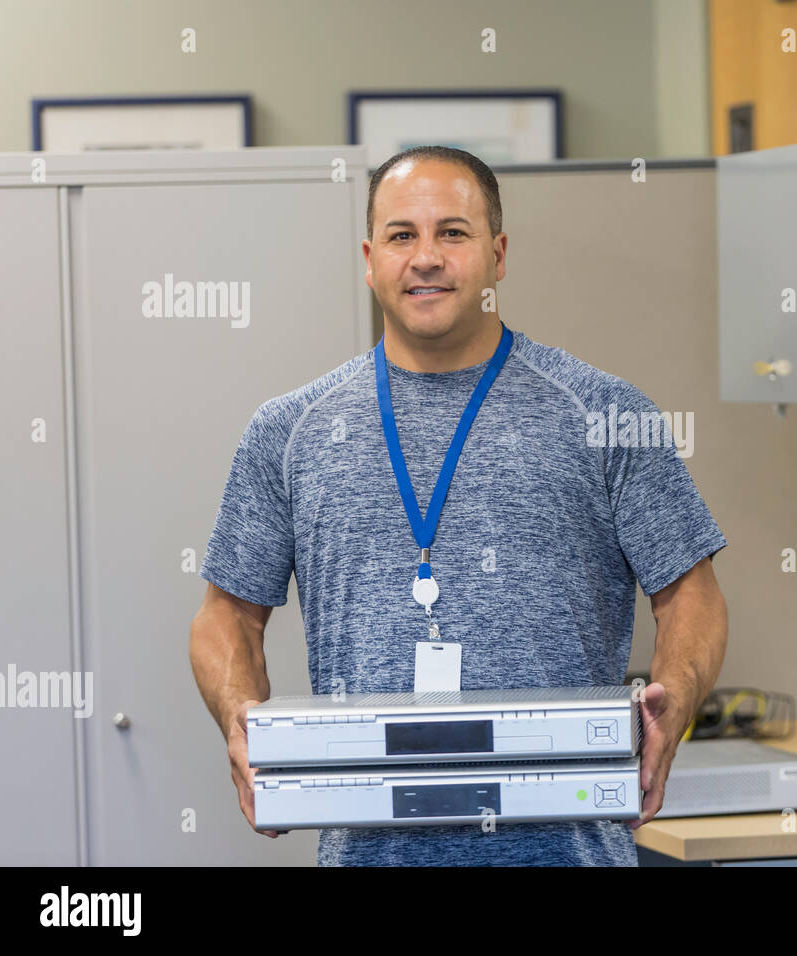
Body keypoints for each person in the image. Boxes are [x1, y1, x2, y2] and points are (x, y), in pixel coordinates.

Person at [188, 145, 729, 866]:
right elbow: (226, 615)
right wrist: (239, 719)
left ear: (498, 254)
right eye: (401, 235)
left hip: (568, 853)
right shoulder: (290, 431)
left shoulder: (603, 414)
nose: (426, 257)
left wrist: (677, 703)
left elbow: (691, 592)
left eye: (453, 232)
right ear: (369, 256)